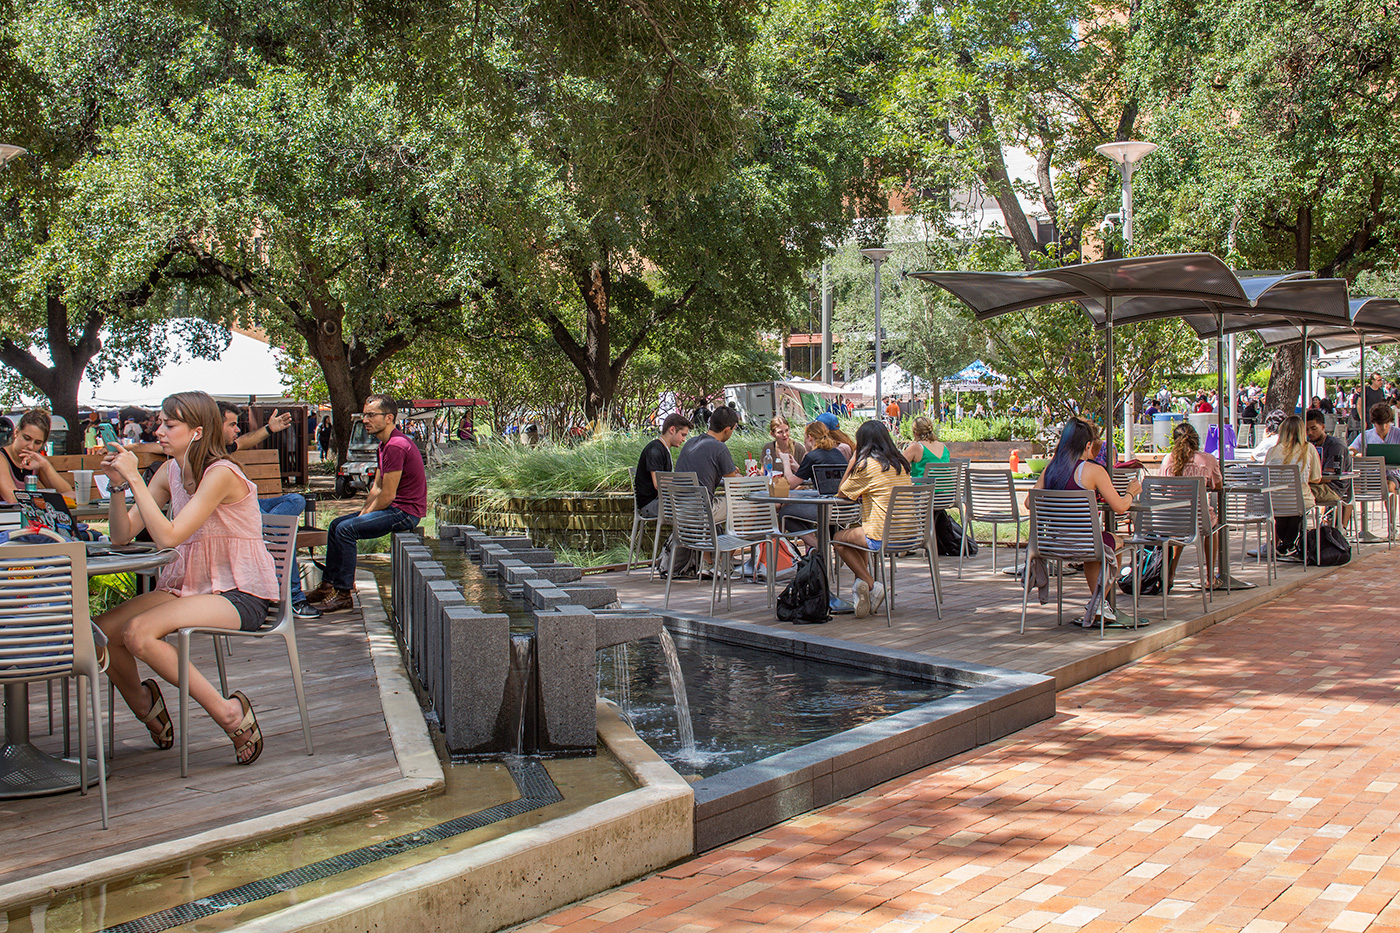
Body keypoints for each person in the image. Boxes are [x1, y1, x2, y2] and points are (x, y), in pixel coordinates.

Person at [97, 391, 279, 766]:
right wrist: (118, 483)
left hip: (239, 593)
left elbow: (168, 536)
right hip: (186, 586)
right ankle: (146, 705)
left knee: (139, 634)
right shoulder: (168, 472)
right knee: (99, 633)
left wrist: (134, 474)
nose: (159, 430)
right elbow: (121, 535)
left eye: (169, 424)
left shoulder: (222, 473)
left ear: (197, 431)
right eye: (160, 422)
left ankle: (229, 713)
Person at [305, 395, 426, 612]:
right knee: (336, 525)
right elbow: (376, 488)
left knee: (346, 530)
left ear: (389, 418)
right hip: (393, 508)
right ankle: (327, 585)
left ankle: (344, 595)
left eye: (371, 415)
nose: (365, 420)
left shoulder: (396, 446)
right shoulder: (384, 445)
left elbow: (388, 495)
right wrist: (363, 513)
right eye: (364, 415)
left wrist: (363, 517)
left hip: (405, 512)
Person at [218, 403, 320, 621]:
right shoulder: (202, 455)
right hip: (235, 514)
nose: (238, 430)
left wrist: (269, 429)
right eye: (233, 424)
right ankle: (294, 598)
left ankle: (269, 529)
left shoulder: (221, 448)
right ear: (214, 425)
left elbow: (243, 441)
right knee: (286, 533)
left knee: (296, 499)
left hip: (250, 506)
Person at [1036, 418, 1141, 626]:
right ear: (1087, 445)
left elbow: (1031, 502)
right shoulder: (1093, 471)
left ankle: (1100, 606)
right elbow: (1120, 507)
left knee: (1097, 549)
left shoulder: (1051, 470)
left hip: (1052, 545)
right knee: (1115, 543)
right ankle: (1100, 604)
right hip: (1086, 543)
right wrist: (1131, 492)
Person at [832, 421, 913, 618]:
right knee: (857, 534)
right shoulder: (900, 464)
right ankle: (860, 585)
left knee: (839, 539)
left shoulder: (866, 465)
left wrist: (852, 463)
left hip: (882, 536)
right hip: (911, 535)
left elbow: (842, 493)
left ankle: (870, 584)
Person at [1158, 422, 1221, 589]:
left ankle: (1171, 572)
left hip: (1171, 521)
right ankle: (1209, 577)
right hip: (1199, 520)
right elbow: (1218, 485)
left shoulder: (1168, 460)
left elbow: (1160, 489)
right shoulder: (1208, 459)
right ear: (1196, 439)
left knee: (1182, 526)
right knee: (1211, 527)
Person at [775, 421, 849, 545]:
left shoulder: (812, 455)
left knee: (784, 513)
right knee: (797, 511)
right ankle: (818, 550)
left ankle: (817, 546)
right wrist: (798, 468)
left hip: (825, 509)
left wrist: (786, 463)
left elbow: (790, 485)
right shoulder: (836, 452)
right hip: (843, 508)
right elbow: (822, 477)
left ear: (810, 437)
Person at [1265, 414, 1321, 555]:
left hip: (1275, 503)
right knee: (1299, 505)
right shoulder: (1308, 449)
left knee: (1287, 511)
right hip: (1300, 502)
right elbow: (1316, 478)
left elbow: (1265, 476)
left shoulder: (1272, 451)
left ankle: (1287, 543)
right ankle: (1290, 543)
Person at [674, 406, 741, 520]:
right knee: (747, 505)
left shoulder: (690, 443)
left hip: (679, 509)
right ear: (727, 429)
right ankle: (737, 538)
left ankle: (717, 535)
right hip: (703, 512)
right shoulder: (720, 448)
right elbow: (733, 486)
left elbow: (702, 475)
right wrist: (739, 477)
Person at [0, 409, 75, 504]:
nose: (31, 446)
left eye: (38, 442)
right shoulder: (2, 458)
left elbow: (69, 494)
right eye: (27, 438)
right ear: (16, 432)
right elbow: (12, 498)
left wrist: (45, 466)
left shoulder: (36, 461)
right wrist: (55, 498)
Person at [633, 413, 692, 519]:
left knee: (696, 504)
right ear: (672, 430)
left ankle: (682, 535)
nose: (684, 439)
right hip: (651, 505)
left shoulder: (663, 449)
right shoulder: (655, 450)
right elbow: (659, 484)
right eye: (683, 435)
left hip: (659, 502)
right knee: (695, 506)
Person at [1305, 408, 1349, 524]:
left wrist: (1304, 479)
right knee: (1287, 494)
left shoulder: (1335, 445)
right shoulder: (1308, 445)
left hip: (1333, 488)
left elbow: (1328, 477)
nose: (1310, 433)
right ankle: (1287, 535)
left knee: (1296, 495)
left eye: (1314, 429)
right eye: (1306, 430)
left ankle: (1286, 536)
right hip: (1313, 484)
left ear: (1323, 427)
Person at [1349, 402, 1400, 494]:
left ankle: (1390, 508)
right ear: (1374, 422)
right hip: (1369, 475)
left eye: (1387, 423)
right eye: (1380, 424)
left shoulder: (1398, 433)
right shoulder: (1365, 436)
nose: (1384, 427)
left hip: (1392, 474)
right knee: (1350, 488)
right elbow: (1351, 449)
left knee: (1389, 486)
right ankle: (1349, 507)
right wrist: (1353, 453)